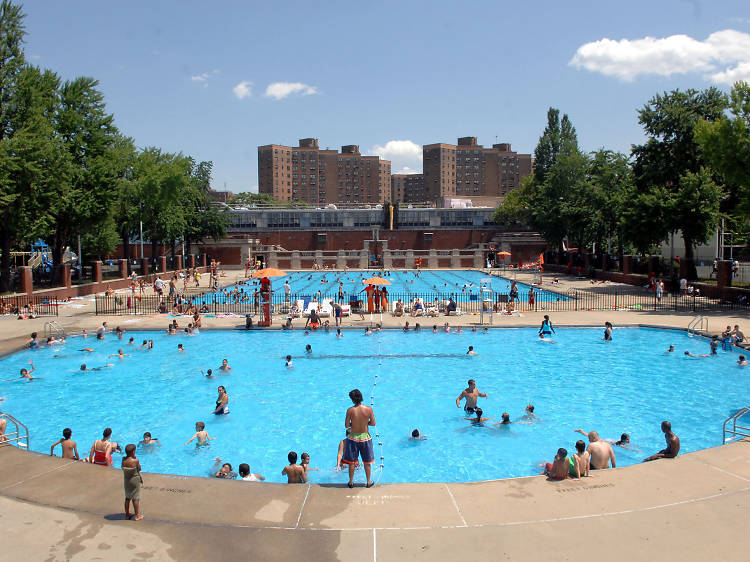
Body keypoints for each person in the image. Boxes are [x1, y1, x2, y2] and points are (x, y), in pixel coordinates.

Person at [342, 388, 376, 488]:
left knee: (352, 462)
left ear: (352, 399)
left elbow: (346, 425)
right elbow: (373, 423)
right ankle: (369, 482)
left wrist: (354, 424)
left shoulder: (350, 410)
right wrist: (365, 423)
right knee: (367, 462)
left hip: (353, 438)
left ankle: (351, 482)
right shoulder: (368, 409)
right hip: (365, 437)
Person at [122, 444, 144, 521]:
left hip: (126, 481)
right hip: (135, 480)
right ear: (133, 452)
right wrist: (134, 458)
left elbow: (123, 467)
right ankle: (137, 515)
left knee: (127, 498)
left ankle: (127, 514)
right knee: (136, 498)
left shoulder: (123, 460)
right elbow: (139, 468)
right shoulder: (135, 461)